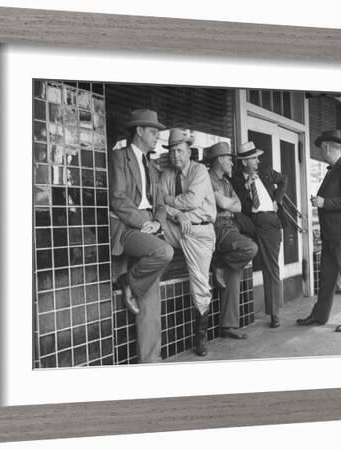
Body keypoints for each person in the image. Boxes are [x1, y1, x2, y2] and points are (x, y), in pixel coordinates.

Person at [109, 109, 174, 363]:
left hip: (148, 229)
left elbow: (161, 205)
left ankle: (151, 360)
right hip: (127, 228)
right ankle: (127, 281)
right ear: (139, 131)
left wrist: (156, 223)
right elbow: (118, 199)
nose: (157, 136)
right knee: (164, 252)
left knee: (150, 295)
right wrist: (143, 221)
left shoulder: (152, 166)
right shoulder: (118, 158)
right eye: (153, 131)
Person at [157, 128, 217, 356]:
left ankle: (201, 338)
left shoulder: (199, 170)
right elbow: (160, 204)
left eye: (180, 151)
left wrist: (172, 203)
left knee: (200, 285)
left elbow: (192, 200)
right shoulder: (167, 175)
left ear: (189, 151)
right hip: (177, 227)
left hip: (200, 232)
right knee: (151, 231)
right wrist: (176, 214)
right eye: (172, 151)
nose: (176, 156)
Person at [297, 129, 341, 332]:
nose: (320, 154)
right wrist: (323, 202)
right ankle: (319, 316)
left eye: (321, 150)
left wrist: (324, 202)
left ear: (326, 147)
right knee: (326, 277)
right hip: (331, 234)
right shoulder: (335, 169)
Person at [230, 141, 287, 328]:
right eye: (253, 158)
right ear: (245, 162)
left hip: (270, 221)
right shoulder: (237, 180)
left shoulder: (266, 171)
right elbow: (235, 201)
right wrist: (246, 187)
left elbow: (283, 180)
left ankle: (274, 313)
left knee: (270, 267)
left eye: (256, 158)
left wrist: (277, 200)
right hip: (252, 223)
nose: (257, 161)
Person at [205, 142, 258, 339]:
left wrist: (228, 203)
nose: (232, 164)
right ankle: (218, 262)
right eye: (229, 159)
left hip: (231, 226)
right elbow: (222, 204)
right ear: (219, 159)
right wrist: (228, 204)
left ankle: (228, 325)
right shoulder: (207, 179)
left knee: (233, 271)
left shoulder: (226, 182)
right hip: (218, 227)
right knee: (249, 248)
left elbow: (237, 206)